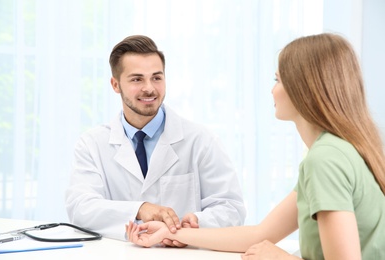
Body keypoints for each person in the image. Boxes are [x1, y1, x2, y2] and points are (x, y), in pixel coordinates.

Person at [126, 33, 385, 259]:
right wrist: (176, 233)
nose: (273, 91)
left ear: (304, 89)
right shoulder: (338, 151)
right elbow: (262, 233)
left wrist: (280, 258)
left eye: (278, 80)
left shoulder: (325, 160)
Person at [65, 35, 246, 242]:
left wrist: (192, 226)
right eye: (137, 79)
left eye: (156, 77)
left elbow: (232, 209)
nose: (149, 88)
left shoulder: (200, 140)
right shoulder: (92, 144)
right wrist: (141, 209)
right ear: (115, 85)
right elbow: (81, 208)